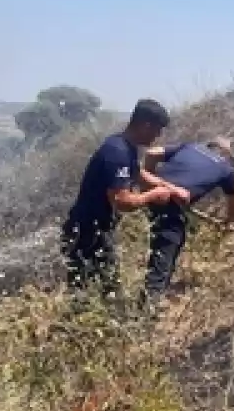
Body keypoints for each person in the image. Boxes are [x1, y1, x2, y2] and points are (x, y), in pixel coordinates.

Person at [60, 98, 189, 299]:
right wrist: (153, 195)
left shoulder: (124, 147)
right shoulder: (117, 152)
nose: (158, 136)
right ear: (145, 125)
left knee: (106, 289)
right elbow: (122, 201)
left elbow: (139, 174)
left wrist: (172, 189)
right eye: (157, 130)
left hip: (97, 230)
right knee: (89, 292)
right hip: (86, 233)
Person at [138, 136, 234, 309]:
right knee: (167, 245)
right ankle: (149, 305)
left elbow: (151, 154)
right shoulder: (226, 168)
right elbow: (232, 202)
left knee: (173, 239)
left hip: (156, 195)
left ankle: (154, 295)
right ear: (226, 154)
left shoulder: (189, 147)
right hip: (171, 202)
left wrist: (150, 185)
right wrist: (227, 223)